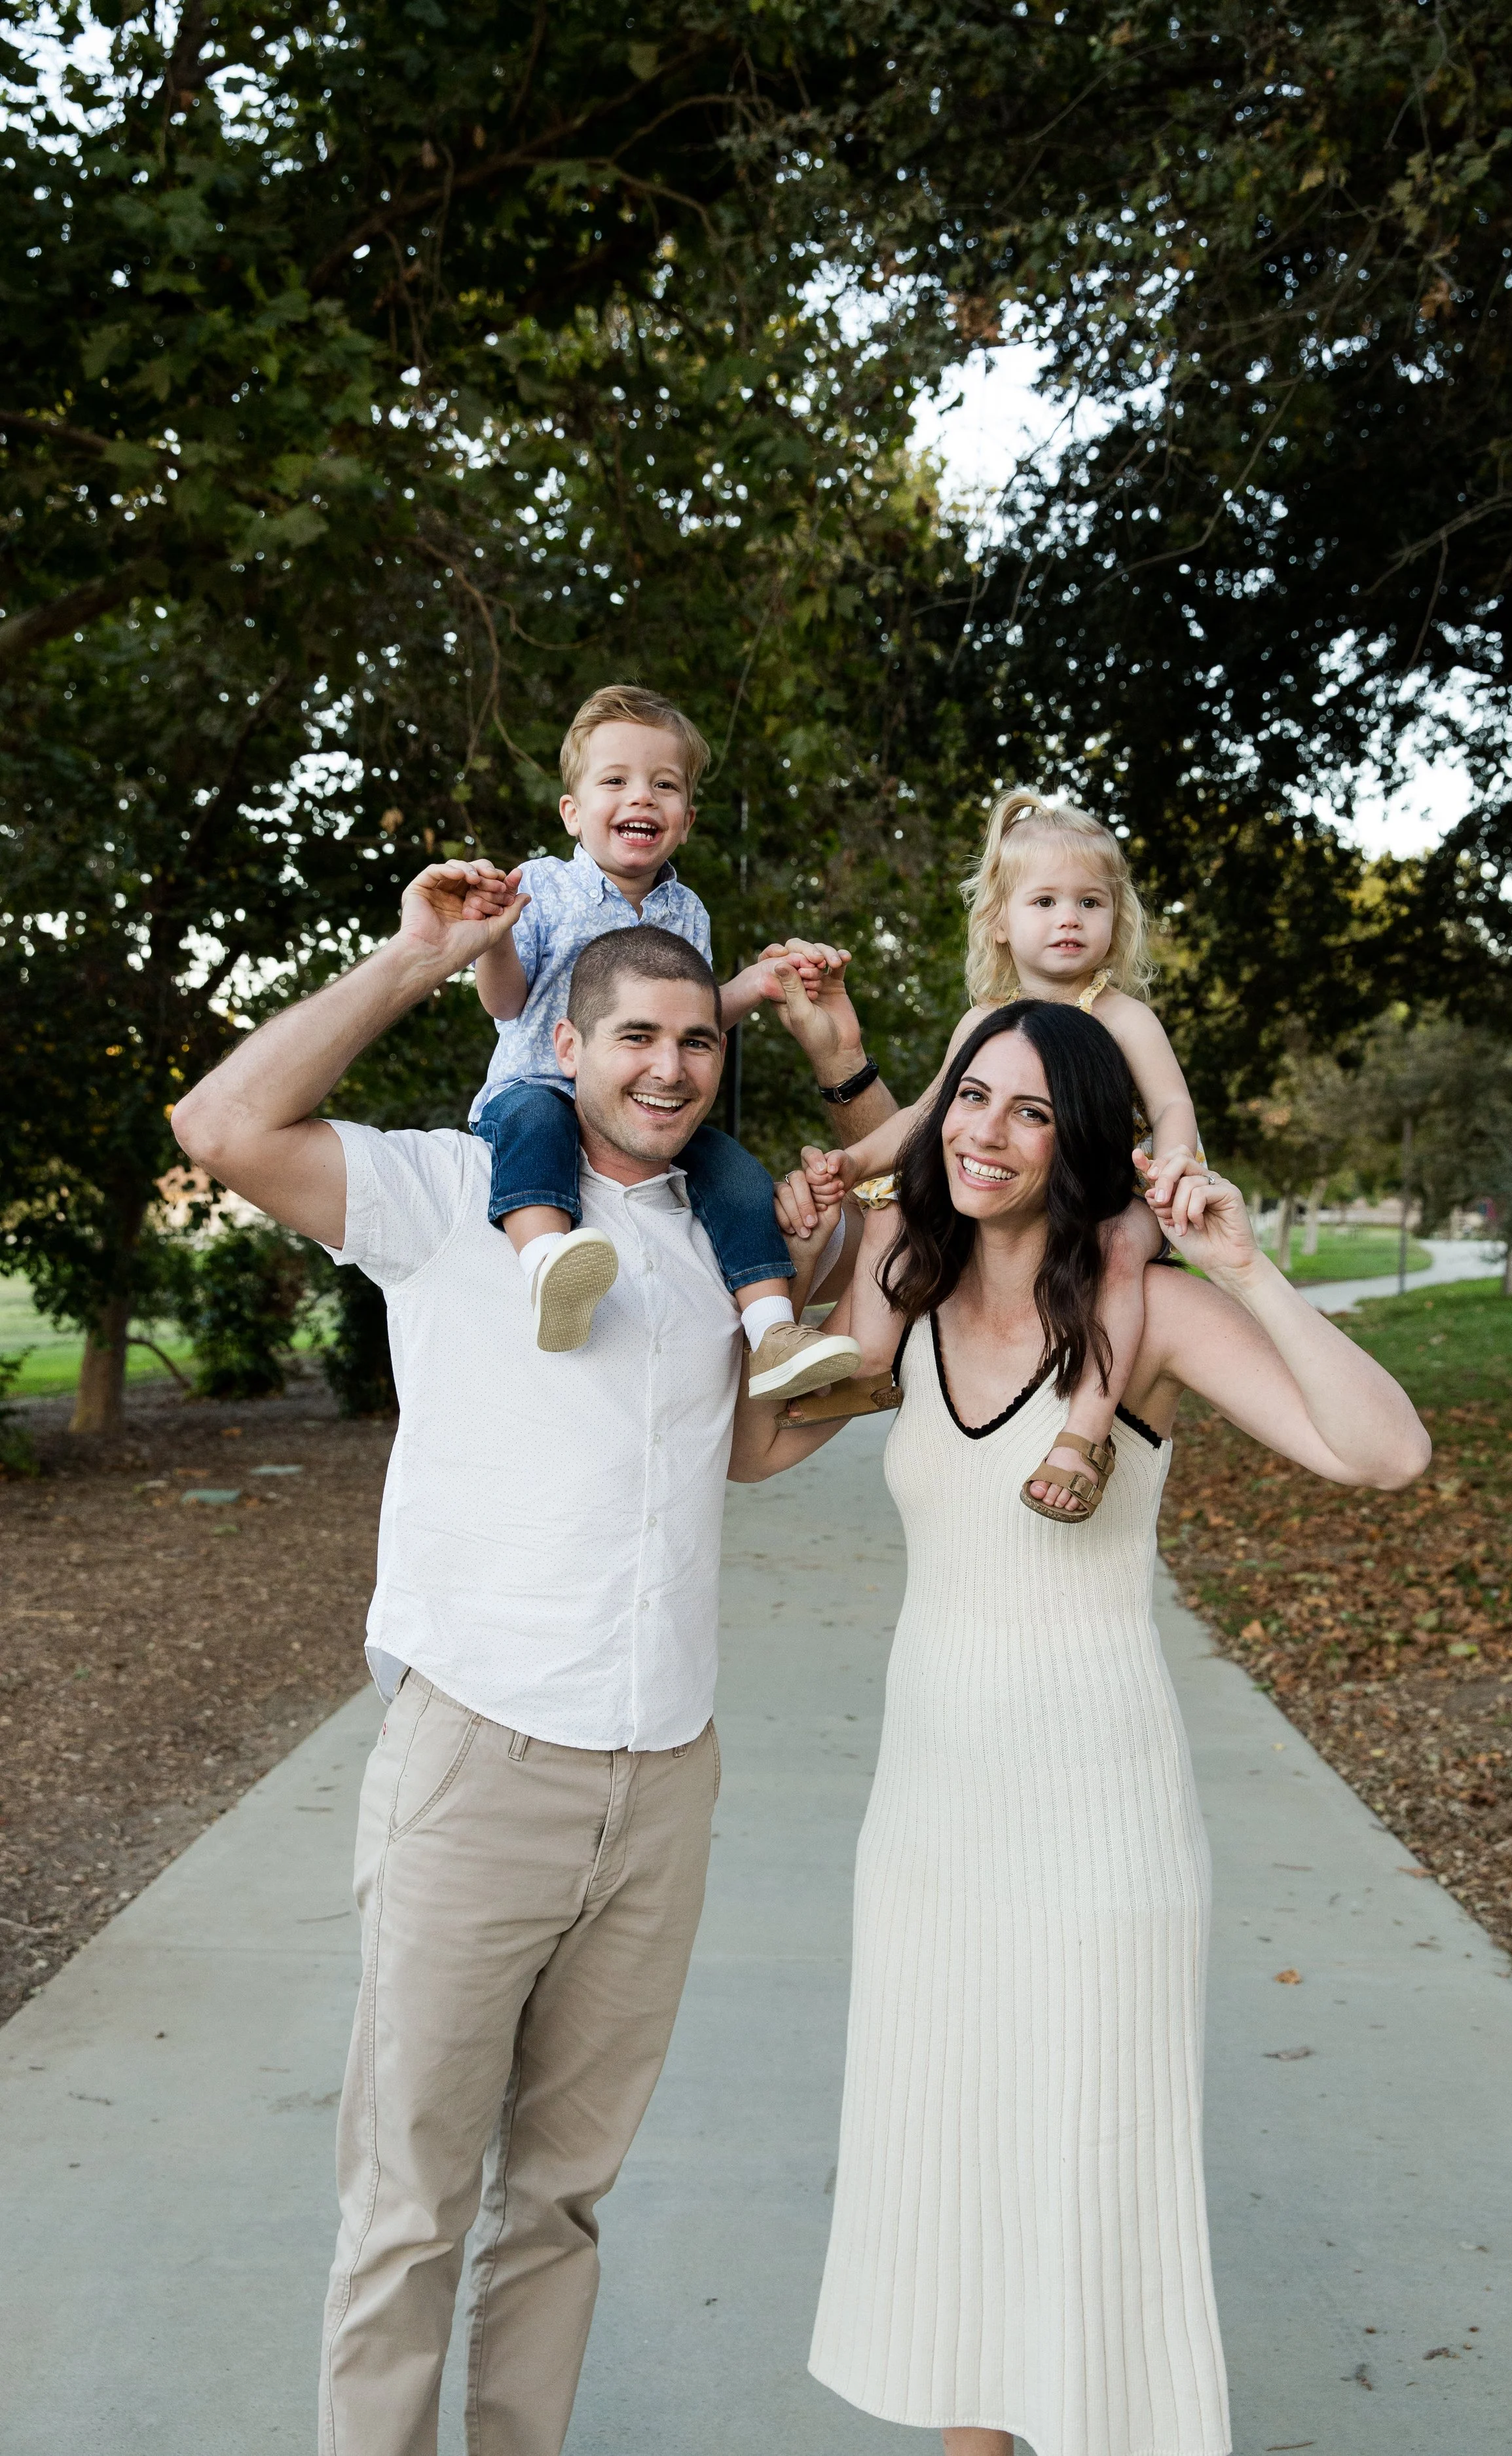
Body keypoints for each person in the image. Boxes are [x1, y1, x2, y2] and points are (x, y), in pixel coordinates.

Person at [167, 865, 891, 2456]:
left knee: (560, 2199)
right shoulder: (452, 1189)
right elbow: (221, 1125)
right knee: (410, 2205)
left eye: (700, 1040)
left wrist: (834, 1276)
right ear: (567, 1040)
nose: (672, 1067)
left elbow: (751, 1450)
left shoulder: (722, 1228)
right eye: (637, 1034)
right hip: (479, 1766)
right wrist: (423, 955)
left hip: (665, 1780)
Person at [735, 999, 1431, 2456]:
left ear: (1080, 1143)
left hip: (1095, 1821)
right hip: (926, 1826)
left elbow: (1383, 1454)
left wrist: (1243, 1262)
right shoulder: (904, 1292)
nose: (985, 1133)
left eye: (1030, 1112)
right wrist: (789, 1254)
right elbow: (748, 1450)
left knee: (1088, 2188)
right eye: (971, 1098)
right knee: (957, 2182)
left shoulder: (1152, 1319)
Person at [795, 787, 1210, 1521]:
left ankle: (1085, 1432)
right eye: (1044, 902)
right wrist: (856, 1164)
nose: (1069, 920)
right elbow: (929, 1116)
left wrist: (1175, 1160)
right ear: (998, 922)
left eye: (1090, 902)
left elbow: (1172, 1104)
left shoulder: (1124, 1017)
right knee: (889, 1208)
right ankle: (866, 1362)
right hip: (1027, 1202)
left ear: (1117, 920)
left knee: (1117, 1251)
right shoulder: (984, 1023)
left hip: (1117, 1195)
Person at [463, 679, 860, 1406]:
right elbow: (506, 1002)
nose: (641, 797)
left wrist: (758, 982)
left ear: (686, 820)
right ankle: (548, 1264)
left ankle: (772, 1329)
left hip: (647, 1111)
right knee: (534, 1125)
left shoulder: (686, 910)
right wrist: (490, 941)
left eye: (663, 784)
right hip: (539, 1085)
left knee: (735, 1173)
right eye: (616, 780)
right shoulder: (543, 889)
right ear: (573, 813)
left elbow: (697, 1020)